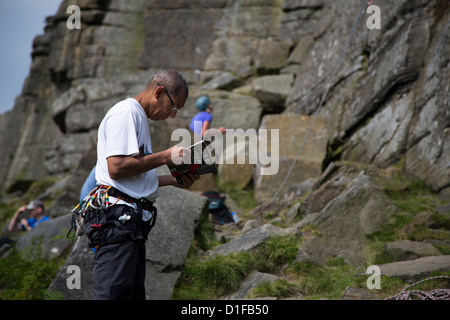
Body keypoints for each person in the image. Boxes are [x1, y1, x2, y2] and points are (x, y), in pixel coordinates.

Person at [88, 69, 199, 300]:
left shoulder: (137, 117)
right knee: (113, 295)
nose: (172, 116)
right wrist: (165, 156)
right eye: (174, 107)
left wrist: (175, 180)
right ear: (159, 92)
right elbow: (116, 168)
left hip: (129, 225)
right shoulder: (127, 112)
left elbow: (133, 178)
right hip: (117, 221)